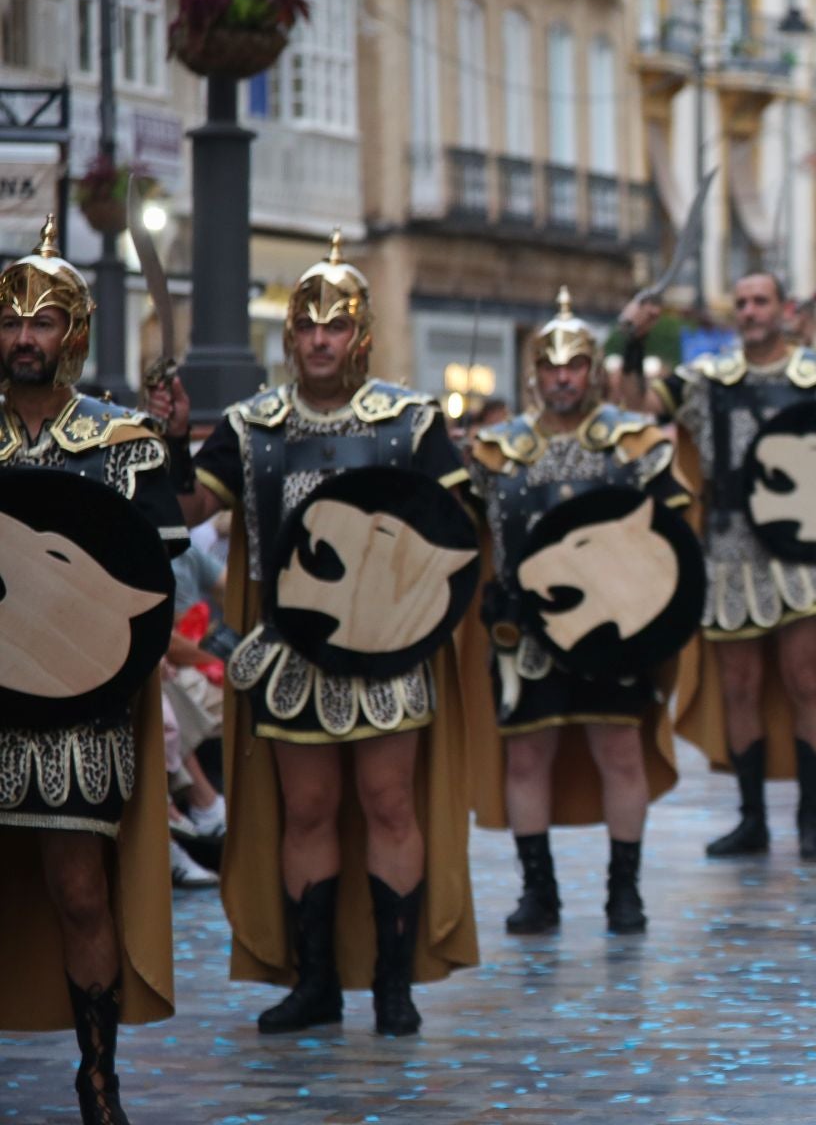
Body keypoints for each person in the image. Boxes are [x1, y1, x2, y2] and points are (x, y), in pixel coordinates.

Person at [152, 231, 478, 1038]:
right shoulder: (252, 425)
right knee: (307, 811)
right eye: (307, 325)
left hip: (389, 649)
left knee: (389, 804)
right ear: (291, 336)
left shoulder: (410, 423)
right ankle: (317, 984)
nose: (320, 339)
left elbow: (456, 527)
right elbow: (188, 511)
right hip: (291, 652)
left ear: (360, 335)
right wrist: (172, 442)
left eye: (336, 325)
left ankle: (394, 989)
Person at [0, 217, 187, 1124]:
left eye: (42, 321)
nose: (23, 337)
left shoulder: (122, 441)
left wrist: (175, 448)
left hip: (79, 702)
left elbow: (157, 574)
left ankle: (99, 1075)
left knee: (79, 891)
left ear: (72, 332)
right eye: (10, 320)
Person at [623, 273, 816, 862]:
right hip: (730, 545)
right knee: (738, 687)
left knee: (804, 680)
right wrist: (634, 342)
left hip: (801, 546)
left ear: (783, 309)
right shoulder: (705, 378)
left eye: (759, 301)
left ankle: (812, 819)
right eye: (740, 302)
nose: (748, 311)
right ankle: (752, 819)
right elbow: (638, 408)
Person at [464, 290, 685, 934]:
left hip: (612, 627)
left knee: (620, 751)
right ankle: (539, 892)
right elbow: (454, 526)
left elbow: (673, 534)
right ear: (534, 372)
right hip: (523, 630)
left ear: (592, 370)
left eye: (575, 365)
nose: (563, 377)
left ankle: (624, 891)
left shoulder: (631, 443)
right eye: (551, 365)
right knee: (526, 758)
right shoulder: (496, 448)